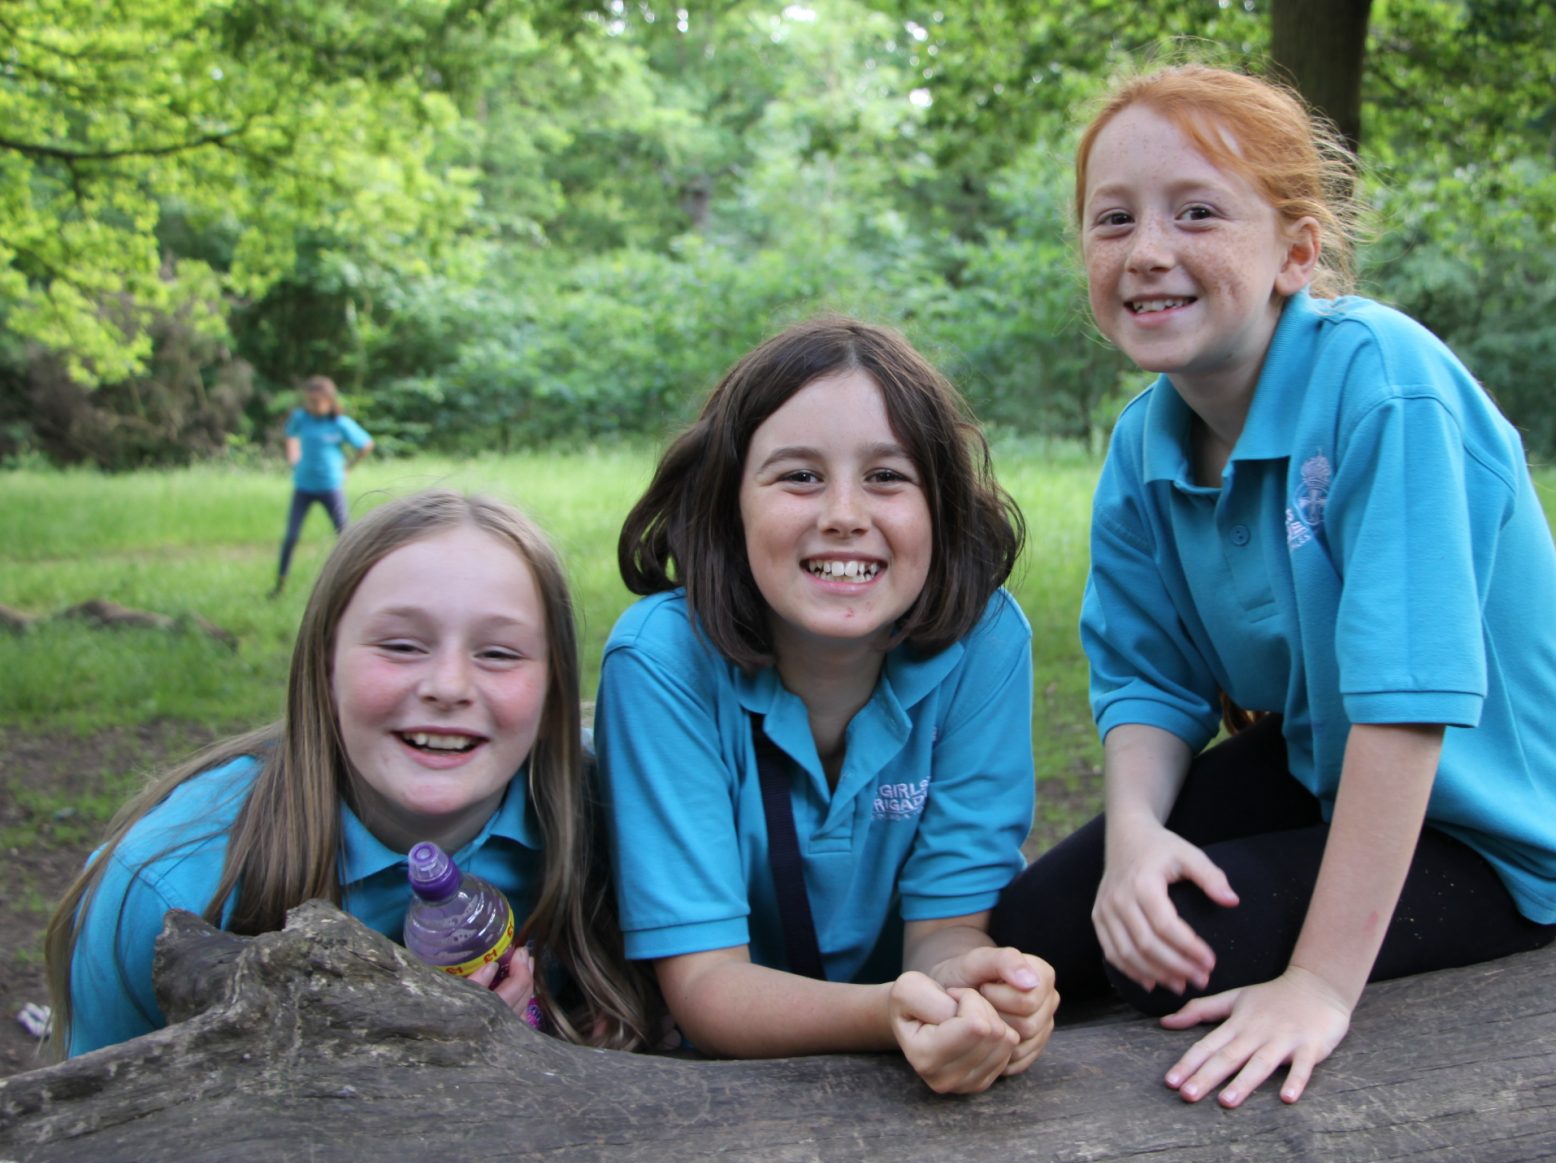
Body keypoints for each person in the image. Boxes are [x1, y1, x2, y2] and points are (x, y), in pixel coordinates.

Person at [990, 65, 1556, 1108]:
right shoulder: (1146, 443)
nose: (1148, 251)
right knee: (1039, 929)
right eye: (1113, 220)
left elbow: (1405, 706)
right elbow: (1149, 683)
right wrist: (1138, 839)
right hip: (1319, 766)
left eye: (1197, 212)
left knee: (1171, 957)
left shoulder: (1387, 385)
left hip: (1489, 826)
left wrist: (1318, 984)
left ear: (1296, 249)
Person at [598, 316, 1058, 1094]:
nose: (844, 513)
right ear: (727, 504)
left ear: (940, 510)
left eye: (887, 476)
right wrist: (889, 1015)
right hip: (709, 1087)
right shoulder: (660, 660)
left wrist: (970, 989)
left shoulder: (984, 642)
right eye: (799, 476)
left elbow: (945, 928)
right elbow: (707, 988)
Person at [46, 490, 654, 1056]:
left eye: (498, 653)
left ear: (553, 687)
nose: (448, 686)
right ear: (324, 662)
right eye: (400, 645)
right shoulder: (167, 885)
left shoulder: (625, 822)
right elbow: (92, 1136)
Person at [271, 375, 373, 598]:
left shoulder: (339, 424)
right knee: (291, 536)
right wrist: (293, 457)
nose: (312, 406)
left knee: (345, 536)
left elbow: (366, 445)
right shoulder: (301, 418)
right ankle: (280, 585)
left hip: (330, 486)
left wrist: (347, 468)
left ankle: (357, 586)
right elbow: (290, 436)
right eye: (309, 401)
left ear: (329, 401)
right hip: (304, 486)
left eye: (317, 402)